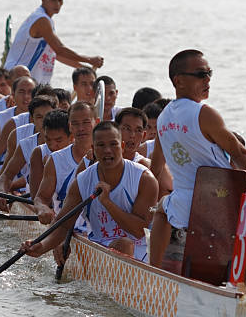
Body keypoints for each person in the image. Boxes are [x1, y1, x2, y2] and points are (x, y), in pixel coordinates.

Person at [148, 49, 246, 273]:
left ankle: (154, 273)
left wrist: (151, 200)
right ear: (178, 81)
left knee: (161, 209)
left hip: (183, 205)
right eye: (200, 74)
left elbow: (155, 168)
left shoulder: (164, 117)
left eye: (209, 73)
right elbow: (240, 153)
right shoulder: (205, 113)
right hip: (220, 204)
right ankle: (239, 282)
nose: (207, 79)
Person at [21, 121, 159, 263]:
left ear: (122, 147)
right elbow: (63, 224)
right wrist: (42, 246)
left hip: (138, 251)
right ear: (93, 149)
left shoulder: (144, 179)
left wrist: (107, 202)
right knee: (122, 244)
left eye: (113, 144)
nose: (107, 150)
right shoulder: (82, 181)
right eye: (101, 145)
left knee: (124, 244)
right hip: (99, 249)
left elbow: (138, 231)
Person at [3, 0, 104, 84]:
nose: (57, 4)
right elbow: (59, 49)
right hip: (17, 77)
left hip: (31, 81)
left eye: (60, 0)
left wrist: (82, 67)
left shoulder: (47, 20)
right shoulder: (41, 19)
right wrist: (89, 59)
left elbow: (56, 54)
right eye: (53, 0)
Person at [34, 102, 98, 225]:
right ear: (70, 127)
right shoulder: (55, 160)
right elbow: (40, 198)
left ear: (97, 122)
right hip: (65, 228)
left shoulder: (110, 157)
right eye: (75, 124)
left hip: (98, 232)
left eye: (86, 122)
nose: (81, 128)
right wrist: (42, 208)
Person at [28, 110, 72, 198]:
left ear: (71, 137)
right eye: (48, 139)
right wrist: (48, 169)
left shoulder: (83, 152)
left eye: (58, 140)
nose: (52, 146)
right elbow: (36, 197)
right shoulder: (39, 153)